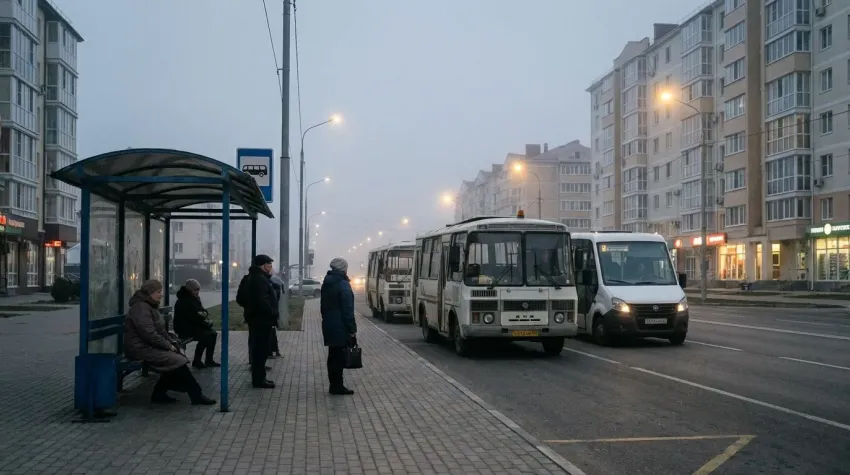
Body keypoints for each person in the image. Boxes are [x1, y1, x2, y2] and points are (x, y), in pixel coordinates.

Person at [123, 279, 216, 405]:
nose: (161, 294)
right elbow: (149, 334)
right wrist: (169, 346)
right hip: (139, 349)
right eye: (158, 292)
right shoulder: (140, 308)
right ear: (149, 292)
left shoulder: (148, 305)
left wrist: (172, 343)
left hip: (147, 346)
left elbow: (160, 332)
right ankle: (196, 394)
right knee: (177, 361)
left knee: (175, 360)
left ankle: (159, 394)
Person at [236, 254, 279, 389]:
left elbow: (240, 298)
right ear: (263, 265)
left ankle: (260, 377)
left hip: (255, 318)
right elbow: (262, 300)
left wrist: (249, 308)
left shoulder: (250, 278)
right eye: (269, 265)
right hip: (262, 320)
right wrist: (271, 313)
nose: (271, 268)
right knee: (261, 350)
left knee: (258, 349)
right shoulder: (259, 279)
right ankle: (259, 380)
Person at [320, 257, 357, 395]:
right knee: (338, 357)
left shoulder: (327, 282)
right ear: (344, 269)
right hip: (340, 325)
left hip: (329, 324)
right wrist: (352, 329)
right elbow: (347, 309)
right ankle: (337, 386)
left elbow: (323, 306)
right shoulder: (343, 284)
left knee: (333, 356)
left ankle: (334, 384)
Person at [173, 279, 221, 369]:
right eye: (195, 289)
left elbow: (202, 311)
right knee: (207, 336)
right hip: (184, 328)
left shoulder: (193, 298)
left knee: (213, 334)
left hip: (193, 326)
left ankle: (209, 360)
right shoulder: (184, 300)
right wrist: (203, 317)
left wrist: (203, 315)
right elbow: (193, 316)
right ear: (189, 289)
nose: (197, 292)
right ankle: (197, 361)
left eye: (198, 289)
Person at [268, 274, 284, 358]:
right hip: (270, 314)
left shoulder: (273, 288)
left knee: (272, 333)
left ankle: (274, 350)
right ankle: (271, 351)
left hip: (272, 314)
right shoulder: (273, 289)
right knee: (271, 333)